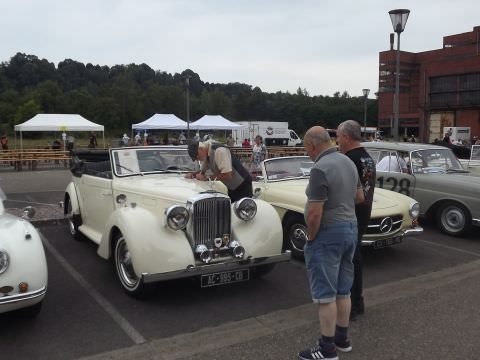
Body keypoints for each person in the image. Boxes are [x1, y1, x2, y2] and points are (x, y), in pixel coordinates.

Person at [298, 126, 364, 360]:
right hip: (350, 229)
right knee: (343, 289)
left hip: (328, 233)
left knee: (325, 294)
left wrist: (311, 236)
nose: (307, 153)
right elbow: (359, 197)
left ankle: (327, 350)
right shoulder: (348, 162)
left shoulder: (320, 168)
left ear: (313, 145)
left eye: (306, 149)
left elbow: (315, 213)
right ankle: (341, 339)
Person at [336, 120, 376, 320]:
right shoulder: (367, 158)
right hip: (364, 211)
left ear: (345, 137)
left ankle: (349, 305)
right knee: (356, 256)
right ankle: (358, 302)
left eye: (337, 136)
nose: (337, 141)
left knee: (348, 260)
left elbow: (343, 191)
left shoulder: (348, 160)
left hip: (349, 214)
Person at [185, 140, 252, 202]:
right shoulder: (207, 153)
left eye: (197, 156)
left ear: (201, 149)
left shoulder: (220, 151)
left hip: (242, 185)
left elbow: (227, 175)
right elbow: (203, 171)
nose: (198, 159)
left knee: (241, 212)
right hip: (232, 186)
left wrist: (206, 178)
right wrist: (193, 174)